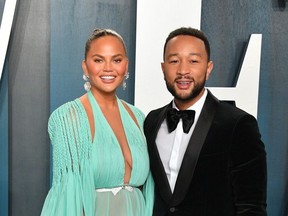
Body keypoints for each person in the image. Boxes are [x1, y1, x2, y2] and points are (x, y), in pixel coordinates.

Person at [144, 27, 267, 215]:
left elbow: (252, 207)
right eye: (174, 61)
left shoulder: (238, 124)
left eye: (193, 61)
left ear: (208, 68)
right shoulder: (151, 121)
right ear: (163, 68)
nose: (183, 70)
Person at [41, 28, 154, 216]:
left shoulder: (138, 117)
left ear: (126, 65)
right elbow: (68, 197)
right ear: (85, 66)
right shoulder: (70, 117)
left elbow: (147, 191)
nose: (108, 68)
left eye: (116, 60)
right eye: (98, 60)